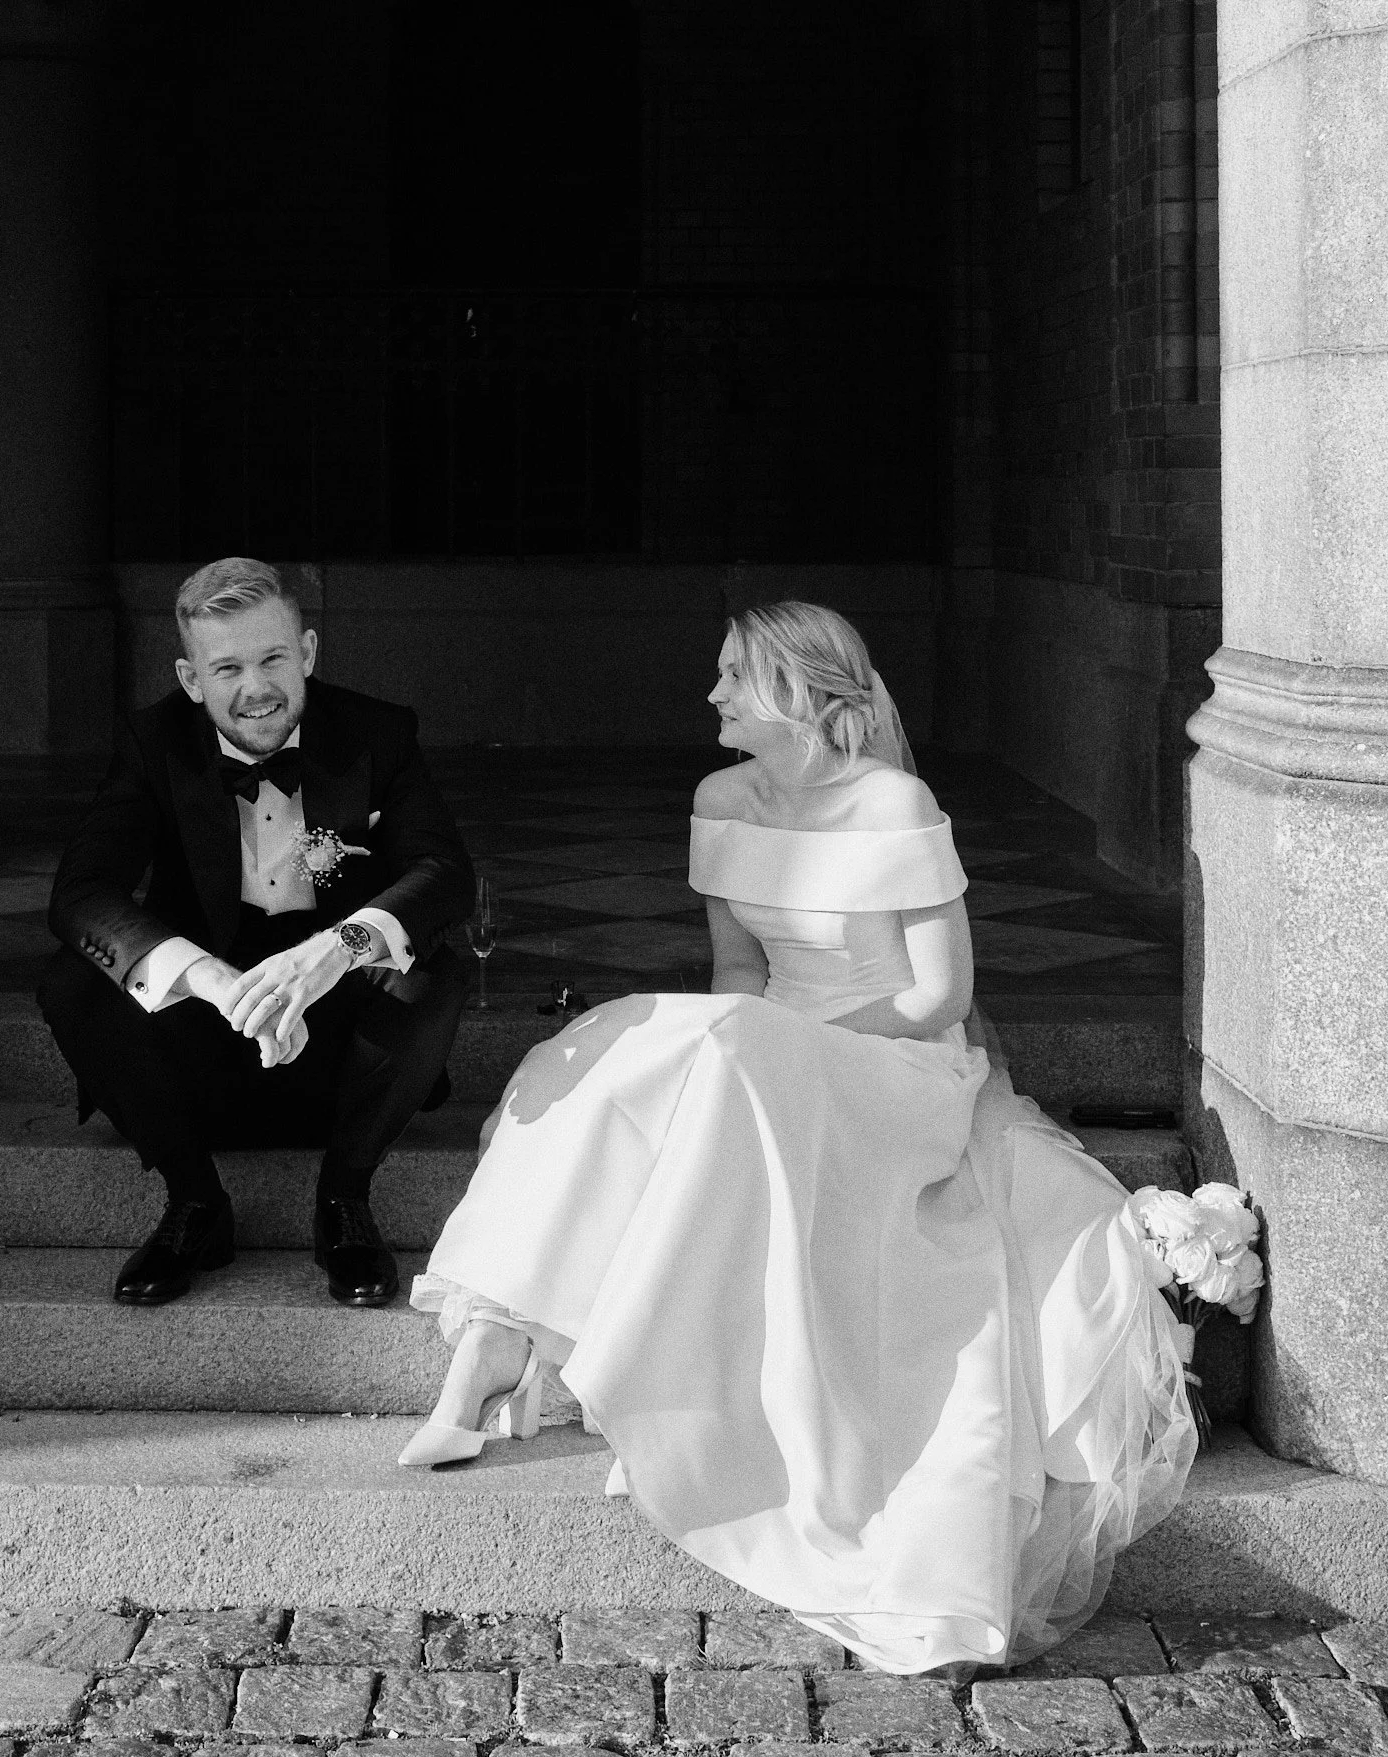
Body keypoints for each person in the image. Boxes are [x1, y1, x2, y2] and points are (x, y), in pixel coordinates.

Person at [402, 601, 1195, 1672]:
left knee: (720, 1054)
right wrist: (761, 1044)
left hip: (901, 1067)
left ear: (804, 694)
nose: (714, 696)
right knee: (627, 1050)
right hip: (770, 1048)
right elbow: (738, 974)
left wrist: (788, 1044)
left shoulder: (892, 801)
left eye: (734, 675)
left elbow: (937, 994)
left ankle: (535, 1353)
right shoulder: (720, 796)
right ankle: (501, 1333)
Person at [41, 556, 475, 1309]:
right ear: (190, 678)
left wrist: (333, 953)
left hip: (340, 1041)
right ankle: (194, 1204)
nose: (256, 688)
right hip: (207, 1039)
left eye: (273, 657)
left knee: (432, 969)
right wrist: (210, 980)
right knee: (72, 980)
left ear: (305, 652)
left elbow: (443, 873)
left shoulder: (378, 731)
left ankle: (343, 1200)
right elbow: (81, 893)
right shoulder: (153, 743)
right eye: (228, 667)